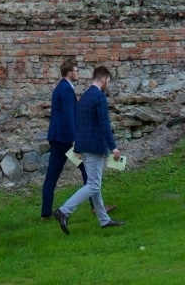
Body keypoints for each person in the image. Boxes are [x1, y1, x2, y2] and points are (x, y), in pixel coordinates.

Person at [54, 65, 124, 234]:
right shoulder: (99, 97)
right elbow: (104, 124)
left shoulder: (84, 95)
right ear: (103, 80)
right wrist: (113, 147)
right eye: (108, 82)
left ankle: (104, 220)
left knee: (95, 184)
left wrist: (77, 145)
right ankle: (64, 210)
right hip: (94, 146)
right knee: (93, 184)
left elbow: (79, 122)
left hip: (84, 145)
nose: (108, 85)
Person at [41, 57, 89, 219]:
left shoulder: (59, 87)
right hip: (66, 140)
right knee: (87, 169)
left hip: (56, 138)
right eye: (76, 71)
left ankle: (45, 212)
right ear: (69, 73)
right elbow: (69, 116)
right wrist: (75, 140)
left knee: (52, 175)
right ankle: (96, 207)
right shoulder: (67, 90)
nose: (78, 74)